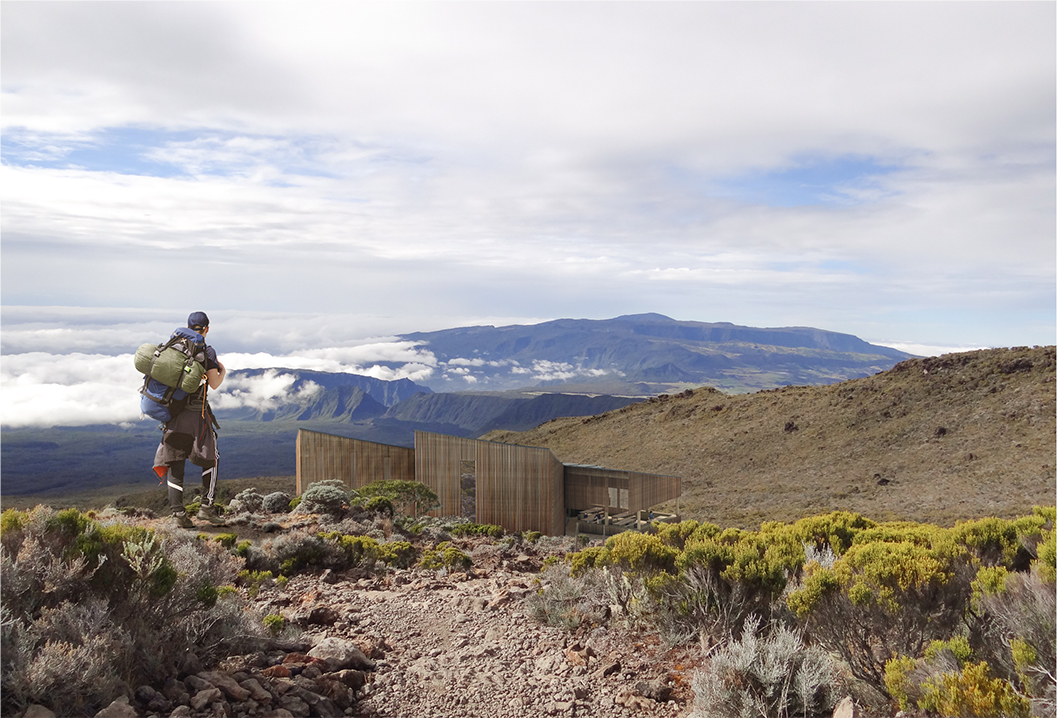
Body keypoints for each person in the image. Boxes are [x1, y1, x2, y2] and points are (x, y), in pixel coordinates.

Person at [153, 311, 227, 528]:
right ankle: (206, 507)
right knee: (212, 458)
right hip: (197, 417)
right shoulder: (206, 350)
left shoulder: (172, 348)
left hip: (172, 416)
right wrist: (222, 370)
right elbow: (213, 383)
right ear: (206, 329)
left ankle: (178, 515)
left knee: (175, 462)